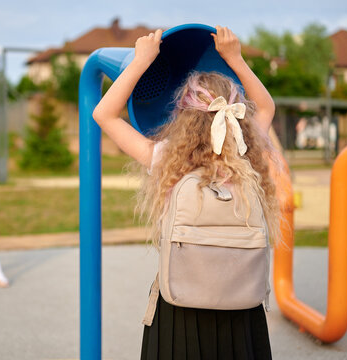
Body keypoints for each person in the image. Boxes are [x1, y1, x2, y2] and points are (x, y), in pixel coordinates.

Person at [92, 26, 282, 359]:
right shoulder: (245, 152)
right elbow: (266, 108)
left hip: (181, 301)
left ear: (184, 116)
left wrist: (141, 61)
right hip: (241, 299)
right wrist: (235, 59)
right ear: (236, 113)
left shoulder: (167, 158)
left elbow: (104, 114)